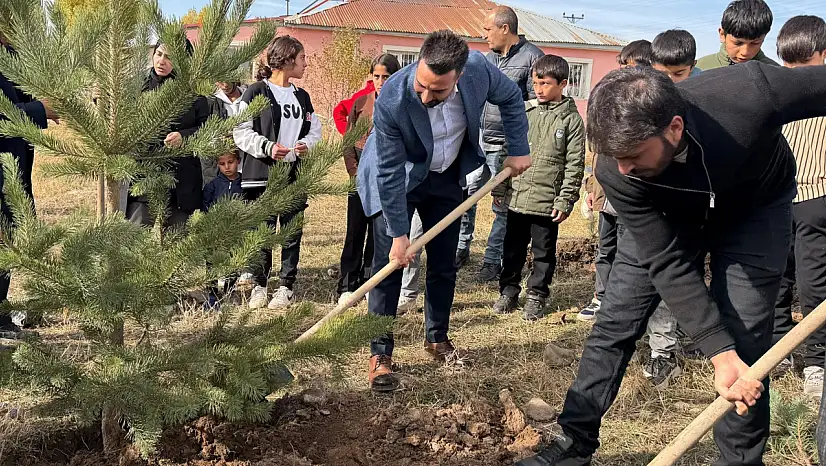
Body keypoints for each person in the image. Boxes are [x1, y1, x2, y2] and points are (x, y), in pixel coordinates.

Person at [517, 61, 826, 466]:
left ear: (674, 129)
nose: (622, 168)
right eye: (613, 157)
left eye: (632, 155)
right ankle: (574, 441)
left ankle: (739, 461)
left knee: (747, 343)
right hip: (665, 216)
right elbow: (667, 261)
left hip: (755, 209)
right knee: (616, 320)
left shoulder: (751, 92)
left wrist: (730, 353)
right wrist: (717, 350)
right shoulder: (618, 169)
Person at [357, 30, 531, 392]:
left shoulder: (480, 70)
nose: (425, 96)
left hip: (447, 174)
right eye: (422, 86)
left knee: (443, 262)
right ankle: (380, 354)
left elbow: (513, 98)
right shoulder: (394, 96)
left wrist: (519, 148)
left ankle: (437, 339)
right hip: (401, 175)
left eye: (437, 91)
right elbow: (388, 173)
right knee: (389, 265)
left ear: (460, 75)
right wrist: (400, 235)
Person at [491, 54, 584, 321]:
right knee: (512, 249)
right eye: (535, 83)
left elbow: (574, 164)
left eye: (545, 83)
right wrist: (500, 188)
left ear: (563, 84)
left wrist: (565, 200)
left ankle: (537, 295)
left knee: (543, 252)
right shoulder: (524, 112)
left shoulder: (571, 121)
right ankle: (508, 290)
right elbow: (508, 151)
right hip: (518, 197)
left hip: (547, 203)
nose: (538, 89)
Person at [233, 35, 322, 311]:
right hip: (262, 175)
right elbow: (240, 131)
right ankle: (260, 285)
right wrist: (267, 147)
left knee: (291, 231)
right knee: (265, 230)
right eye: (302, 58)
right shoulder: (256, 92)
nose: (306, 64)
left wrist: (306, 144)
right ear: (286, 60)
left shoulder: (302, 97)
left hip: (294, 175)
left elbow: (315, 129)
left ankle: (286, 287)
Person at [458, 5, 543, 281]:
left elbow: (535, 105)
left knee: (500, 205)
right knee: (466, 197)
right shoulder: (484, 60)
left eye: (487, 29)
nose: (484, 35)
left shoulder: (533, 59)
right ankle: (460, 248)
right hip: (479, 141)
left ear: (505, 29)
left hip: (506, 148)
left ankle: (492, 261)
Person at [770, 15, 826, 399]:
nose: (794, 75)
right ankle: (777, 349)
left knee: (814, 284)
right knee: (775, 276)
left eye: (802, 65)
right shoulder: (779, 91)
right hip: (778, 197)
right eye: (787, 65)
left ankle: (816, 362)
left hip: (818, 197)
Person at [577, 39, 651, 322]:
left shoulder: (647, 105)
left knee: (628, 251)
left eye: (629, 66)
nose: (622, 71)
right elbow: (595, 151)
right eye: (621, 65)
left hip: (632, 195)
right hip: (607, 193)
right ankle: (601, 298)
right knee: (605, 248)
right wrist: (591, 188)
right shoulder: (608, 100)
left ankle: (623, 304)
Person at [0, 32, 58, 337]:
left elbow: (16, 98)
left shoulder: (8, 55)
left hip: (13, 170)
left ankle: (1, 312)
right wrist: (40, 110)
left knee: (6, 241)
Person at [337, 53, 402, 306]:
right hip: (360, 174)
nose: (380, 81)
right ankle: (347, 284)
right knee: (354, 231)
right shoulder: (361, 103)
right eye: (376, 76)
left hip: (385, 178)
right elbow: (349, 142)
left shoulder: (400, 105)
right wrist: (354, 172)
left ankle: (369, 281)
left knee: (379, 235)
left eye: (386, 76)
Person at [127, 41, 211, 229]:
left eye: (169, 57)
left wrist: (184, 136)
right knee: (135, 239)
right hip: (145, 176)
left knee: (179, 246)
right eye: (159, 54)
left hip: (182, 180)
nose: (162, 61)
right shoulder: (138, 87)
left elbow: (207, 128)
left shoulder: (195, 92)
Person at [201, 150, 243, 311]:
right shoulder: (213, 185)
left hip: (236, 230)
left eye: (230, 162)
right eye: (222, 163)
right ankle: (211, 294)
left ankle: (229, 291)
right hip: (216, 230)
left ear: (238, 161)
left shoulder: (244, 184)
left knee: (234, 260)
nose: (227, 167)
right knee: (212, 261)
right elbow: (206, 206)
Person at [695, 0, 778, 70]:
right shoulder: (697, 70)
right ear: (722, 35)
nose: (745, 52)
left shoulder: (776, 73)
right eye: (738, 43)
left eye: (754, 43)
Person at [203, 81, 246, 186]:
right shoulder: (209, 101)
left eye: (228, 80)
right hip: (217, 171)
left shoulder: (249, 96)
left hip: (246, 167)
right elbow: (202, 135)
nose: (225, 85)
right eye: (220, 81)